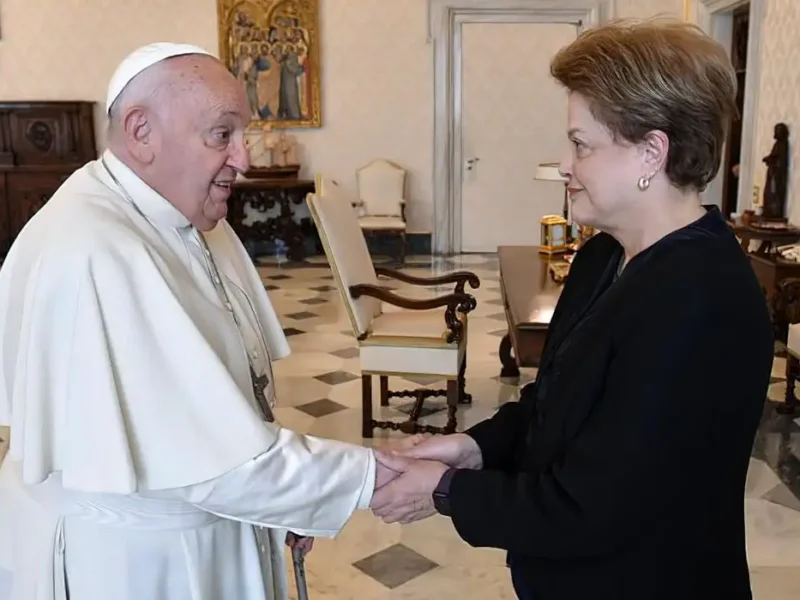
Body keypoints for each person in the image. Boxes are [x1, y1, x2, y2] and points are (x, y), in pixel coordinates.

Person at [371, 19, 775, 600]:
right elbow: (556, 405)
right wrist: (475, 447)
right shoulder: (604, 257)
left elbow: (596, 506)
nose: (564, 163)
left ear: (651, 153)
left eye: (581, 144)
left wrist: (447, 492)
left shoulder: (699, 299)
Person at [0, 43, 399, 600]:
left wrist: (284, 499)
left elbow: (217, 412)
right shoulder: (95, 249)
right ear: (141, 131)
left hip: (209, 522)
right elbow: (209, 465)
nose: (246, 159)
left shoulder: (188, 217)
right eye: (222, 135)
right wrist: (376, 478)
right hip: (136, 563)